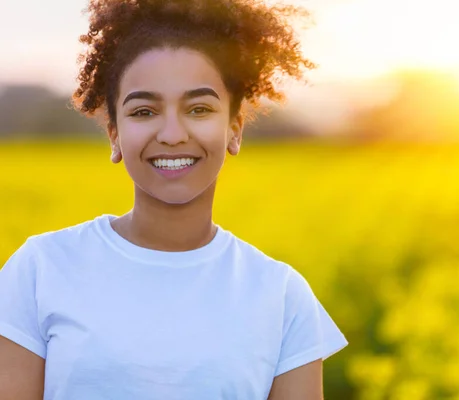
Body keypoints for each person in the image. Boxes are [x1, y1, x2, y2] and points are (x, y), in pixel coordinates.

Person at [0, 0, 348, 399]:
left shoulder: (282, 296)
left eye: (199, 109)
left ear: (234, 129)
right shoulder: (40, 270)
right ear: (114, 133)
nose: (171, 134)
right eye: (144, 111)